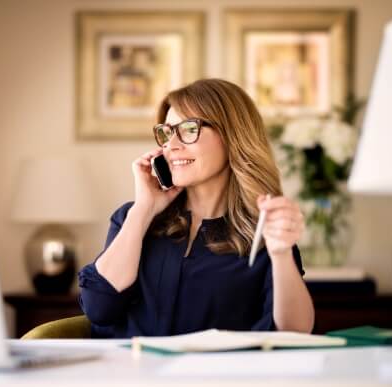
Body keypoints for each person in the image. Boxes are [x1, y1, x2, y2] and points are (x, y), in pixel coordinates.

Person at [78, 78, 315, 338]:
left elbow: (294, 333)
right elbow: (99, 308)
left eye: (189, 129)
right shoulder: (133, 218)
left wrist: (280, 254)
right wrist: (144, 209)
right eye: (167, 132)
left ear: (232, 135)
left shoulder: (264, 233)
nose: (171, 145)